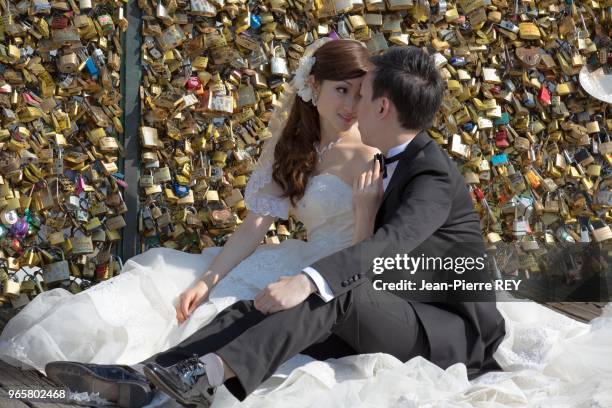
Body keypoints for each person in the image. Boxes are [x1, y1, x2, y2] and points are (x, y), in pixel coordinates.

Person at [39, 45, 507, 408]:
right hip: (388, 305)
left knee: (324, 289)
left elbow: (390, 245)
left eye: (360, 94)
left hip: (444, 332)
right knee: (258, 306)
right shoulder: (390, 157)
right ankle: (144, 377)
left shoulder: (431, 173)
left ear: (381, 108)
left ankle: (200, 377)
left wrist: (307, 280)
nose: (352, 104)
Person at [0, 37, 380, 402]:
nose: (351, 104)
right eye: (342, 90)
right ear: (314, 85)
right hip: (295, 259)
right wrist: (208, 279)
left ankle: (146, 380)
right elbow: (256, 225)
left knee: (237, 311)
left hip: (333, 281)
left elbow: (371, 247)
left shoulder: (369, 152)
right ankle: (119, 374)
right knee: (181, 286)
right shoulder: (299, 146)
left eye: (360, 94)